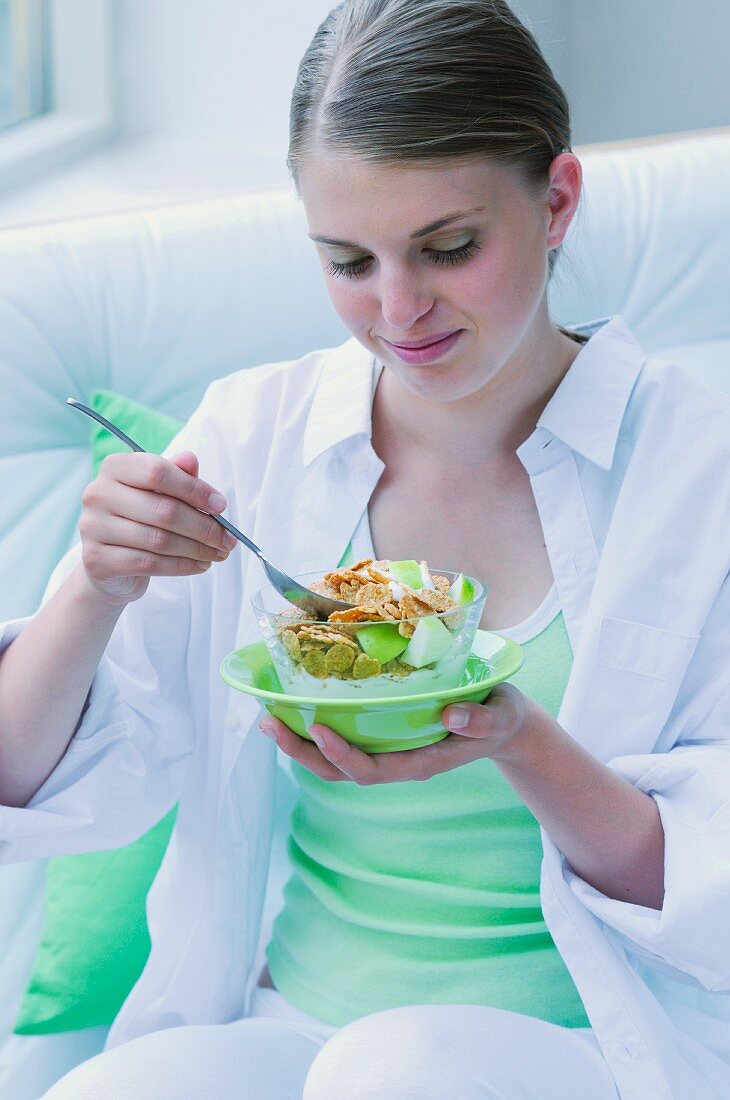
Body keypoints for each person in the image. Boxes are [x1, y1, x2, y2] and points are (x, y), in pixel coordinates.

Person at [0, 0, 728, 1096]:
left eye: (448, 248)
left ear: (557, 202)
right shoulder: (253, 436)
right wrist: (93, 592)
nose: (398, 310)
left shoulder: (697, 468)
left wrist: (519, 738)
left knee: (395, 1072)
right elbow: (32, 786)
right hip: (295, 1026)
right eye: (347, 260)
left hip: (602, 1042)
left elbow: (708, 893)